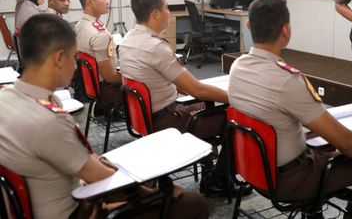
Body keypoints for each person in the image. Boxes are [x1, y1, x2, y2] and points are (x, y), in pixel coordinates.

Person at [0, 14, 209, 219]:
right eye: (74, 58)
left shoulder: (6, 97)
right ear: (59, 57)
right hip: (76, 211)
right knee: (193, 204)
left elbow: (78, 160)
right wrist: (156, 191)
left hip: (43, 199)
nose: (76, 67)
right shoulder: (48, 120)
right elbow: (101, 178)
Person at [228, 0, 352, 219]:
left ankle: (312, 212)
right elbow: (343, 141)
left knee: (321, 145)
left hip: (252, 170)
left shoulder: (237, 66)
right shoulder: (287, 80)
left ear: (248, 27)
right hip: (288, 181)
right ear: (286, 31)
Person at [118, 0, 243, 197]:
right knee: (235, 119)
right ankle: (218, 180)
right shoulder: (155, 47)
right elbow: (196, 89)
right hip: (169, 121)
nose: (169, 12)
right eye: (167, 8)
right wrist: (237, 98)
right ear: (156, 14)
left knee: (206, 105)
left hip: (148, 117)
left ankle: (209, 166)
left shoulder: (129, 39)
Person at [75, 0, 122, 108]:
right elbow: (110, 77)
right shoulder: (100, 34)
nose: (108, 1)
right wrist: (134, 77)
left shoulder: (80, 25)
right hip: (108, 90)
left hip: (90, 86)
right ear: (90, 2)